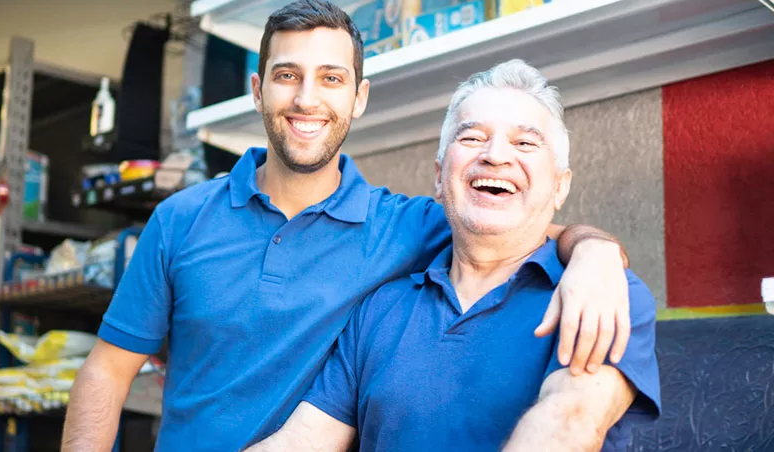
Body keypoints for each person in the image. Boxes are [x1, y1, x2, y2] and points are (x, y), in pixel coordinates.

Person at [62, 0, 636, 452]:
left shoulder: (405, 226)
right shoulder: (179, 220)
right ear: (259, 90)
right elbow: (107, 373)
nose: (307, 99)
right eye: (287, 75)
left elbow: (514, 226)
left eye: (331, 79)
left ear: (359, 98)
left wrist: (595, 254)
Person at [245, 60, 660, 452]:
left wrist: (594, 252)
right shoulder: (380, 308)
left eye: (525, 142)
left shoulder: (604, 292)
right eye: (472, 137)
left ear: (560, 186)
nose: (495, 155)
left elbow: (566, 426)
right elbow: (303, 440)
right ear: (440, 177)